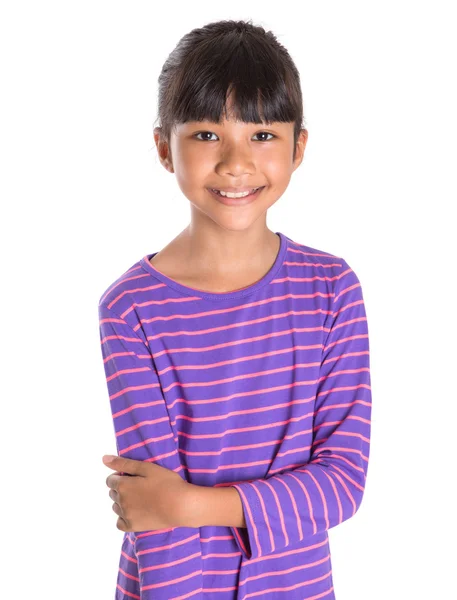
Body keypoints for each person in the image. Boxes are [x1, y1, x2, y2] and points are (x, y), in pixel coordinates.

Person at [98, 18, 372, 600]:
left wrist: (190, 502)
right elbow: (154, 518)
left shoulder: (332, 290)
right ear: (163, 148)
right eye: (205, 135)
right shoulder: (130, 308)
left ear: (299, 146)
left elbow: (343, 482)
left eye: (263, 135)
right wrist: (170, 507)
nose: (235, 162)